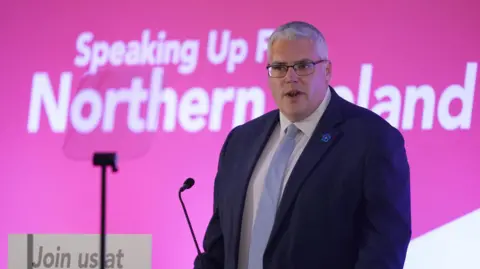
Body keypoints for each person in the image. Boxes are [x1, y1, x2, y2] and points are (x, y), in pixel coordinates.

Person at [194, 21, 411, 269]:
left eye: (303, 66)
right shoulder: (240, 142)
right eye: (279, 67)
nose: (290, 77)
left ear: (327, 71)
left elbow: (383, 249)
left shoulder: (372, 139)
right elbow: (218, 246)